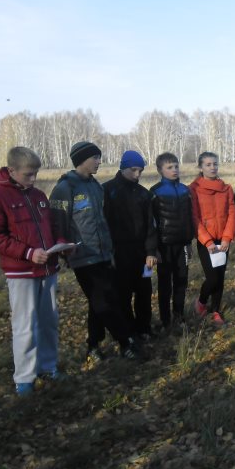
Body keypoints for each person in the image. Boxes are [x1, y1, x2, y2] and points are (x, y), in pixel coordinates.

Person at [0, 147, 63, 395]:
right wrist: (28, 253)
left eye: (36, 173)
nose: (33, 179)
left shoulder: (38, 195)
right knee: (25, 323)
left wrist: (61, 244)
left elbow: (51, 226)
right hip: (21, 272)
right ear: (12, 170)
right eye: (28, 174)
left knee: (49, 321)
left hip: (48, 269)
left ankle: (49, 366)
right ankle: (25, 377)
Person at [50, 141, 142, 361]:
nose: (99, 162)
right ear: (81, 160)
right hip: (82, 256)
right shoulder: (64, 188)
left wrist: (110, 250)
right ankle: (125, 340)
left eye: (99, 158)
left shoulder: (95, 186)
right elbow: (57, 223)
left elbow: (103, 220)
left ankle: (93, 345)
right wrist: (64, 250)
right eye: (95, 158)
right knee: (104, 301)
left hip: (103, 254)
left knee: (98, 302)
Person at [103, 150, 158, 340]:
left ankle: (144, 328)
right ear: (123, 167)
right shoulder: (108, 191)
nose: (137, 175)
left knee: (144, 292)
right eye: (133, 170)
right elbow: (104, 225)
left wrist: (151, 251)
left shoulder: (144, 194)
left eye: (140, 171)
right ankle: (127, 331)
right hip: (119, 253)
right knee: (123, 294)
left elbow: (151, 225)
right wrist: (108, 253)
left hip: (142, 253)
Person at [190, 151, 235, 325]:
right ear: (201, 167)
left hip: (223, 240)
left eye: (215, 164)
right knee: (212, 278)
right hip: (206, 242)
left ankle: (216, 310)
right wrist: (207, 241)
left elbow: (232, 214)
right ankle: (201, 302)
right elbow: (194, 217)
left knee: (220, 277)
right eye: (208, 164)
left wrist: (226, 238)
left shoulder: (226, 188)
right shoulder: (194, 189)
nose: (213, 167)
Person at [150, 152, 194, 330]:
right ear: (160, 170)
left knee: (181, 281)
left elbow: (189, 218)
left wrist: (189, 242)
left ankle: (179, 315)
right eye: (169, 167)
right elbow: (151, 223)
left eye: (176, 166)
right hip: (164, 245)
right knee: (165, 283)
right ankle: (165, 319)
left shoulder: (185, 190)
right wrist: (154, 249)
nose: (174, 170)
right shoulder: (155, 192)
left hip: (182, 244)